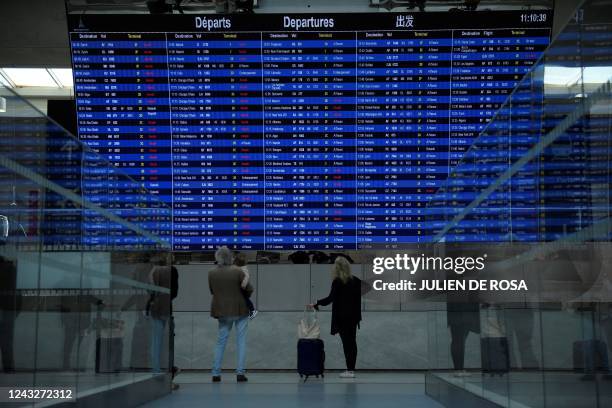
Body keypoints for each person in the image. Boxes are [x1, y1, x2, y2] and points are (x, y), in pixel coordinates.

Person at [310, 257, 362, 378]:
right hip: (353, 318)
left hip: (343, 318)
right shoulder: (356, 281)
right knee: (352, 343)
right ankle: (351, 369)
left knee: (347, 344)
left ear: (337, 268)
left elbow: (330, 299)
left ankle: (349, 371)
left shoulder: (338, 282)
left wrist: (317, 302)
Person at [209, 246, 253, 382]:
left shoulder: (212, 272)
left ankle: (216, 373)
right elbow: (249, 289)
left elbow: (212, 291)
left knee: (221, 341)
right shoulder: (237, 271)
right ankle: (240, 373)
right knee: (241, 341)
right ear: (230, 257)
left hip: (221, 311)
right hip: (240, 310)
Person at [233, 253, 258, 320]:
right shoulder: (240, 268)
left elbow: (246, 277)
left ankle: (252, 311)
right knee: (243, 299)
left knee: (245, 299)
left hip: (242, 288)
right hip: (240, 287)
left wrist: (243, 286)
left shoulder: (243, 269)